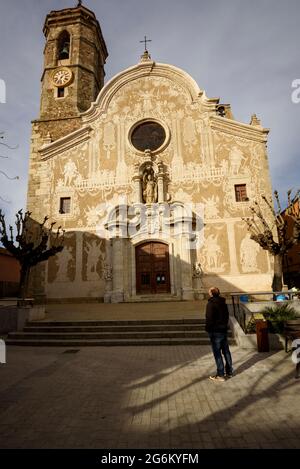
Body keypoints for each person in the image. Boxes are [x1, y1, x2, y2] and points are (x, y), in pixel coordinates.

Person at [205, 286, 233, 382]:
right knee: (226, 351)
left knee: (217, 353)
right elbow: (226, 316)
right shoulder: (223, 302)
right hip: (223, 330)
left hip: (215, 331)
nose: (209, 293)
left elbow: (209, 318)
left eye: (209, 292)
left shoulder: (211, 303)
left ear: (212, 293)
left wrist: (208, 329)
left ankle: (220, 374)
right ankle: (229, 371)